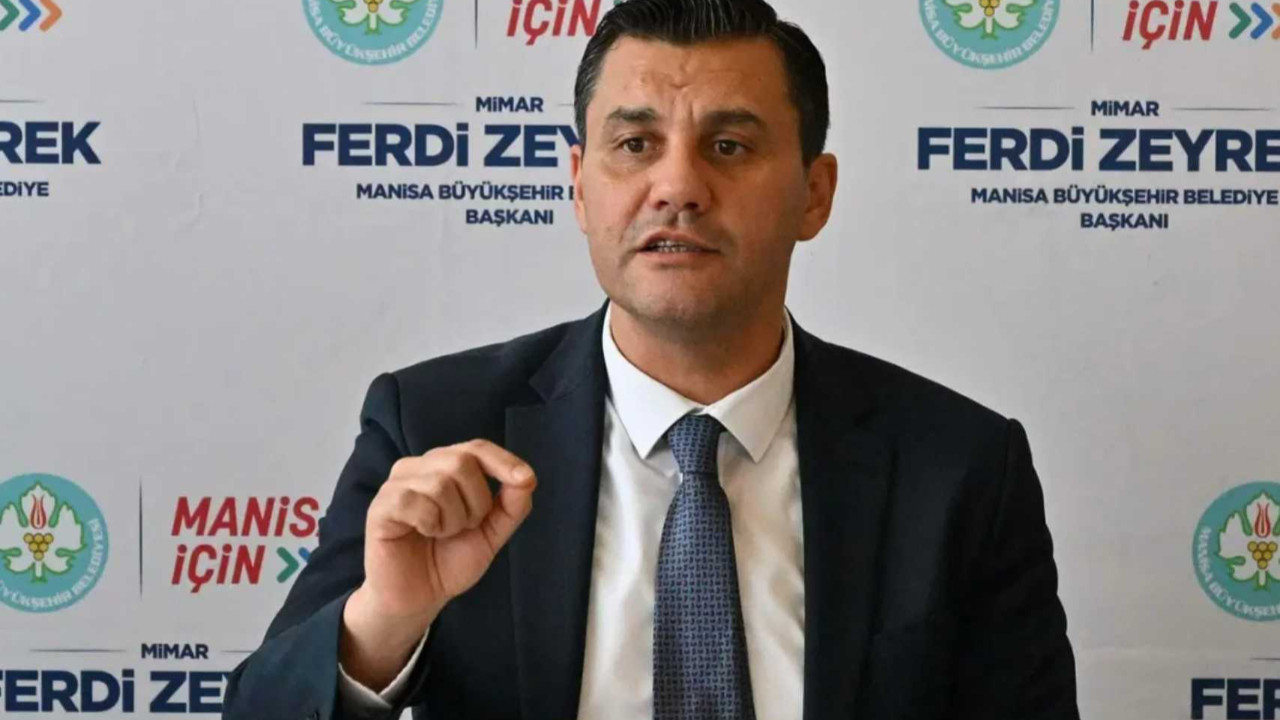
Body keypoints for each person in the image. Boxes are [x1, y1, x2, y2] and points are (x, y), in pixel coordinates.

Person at [222, 0, 1079, 718]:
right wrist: (383, 624)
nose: (678, 188)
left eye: (729, 146)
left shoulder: (959, 465)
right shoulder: (436, 426)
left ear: (814, 195)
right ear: (579, 184)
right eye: (634, 145)